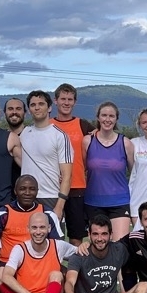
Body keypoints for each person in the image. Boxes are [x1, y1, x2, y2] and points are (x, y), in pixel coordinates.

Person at [63, 215, 147, 293]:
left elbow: (137, 256)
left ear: (111, 235)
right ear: (89, 235)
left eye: (104, 234)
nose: (100, 238)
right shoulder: (79, 255)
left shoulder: (119, 250)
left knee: (144, 285)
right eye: (95, 234)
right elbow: (70, 281)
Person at [0, 212, 78, 293]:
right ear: (28, 229)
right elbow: (6, 276)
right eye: (34, 227)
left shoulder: (58, 246)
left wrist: (84, 247)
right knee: (0, 272)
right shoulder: (20, 248)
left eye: (42, 227)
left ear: (49, 228)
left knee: (56, 274)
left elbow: (80, 254)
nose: (38, 232)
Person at [82, 101, 135, 241]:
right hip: (93, 202)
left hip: (119, 201)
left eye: (111, 116)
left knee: (120, 246)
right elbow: (81, 170)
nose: (107, 119)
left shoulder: (126, 143)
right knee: (98, 246)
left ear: (116, 119)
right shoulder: (88, 141)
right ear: (98, 118)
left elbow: (134, 174)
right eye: (104, 115)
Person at [51, 83, 95, 245]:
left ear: (75, 102)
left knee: (76, 237)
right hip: (52, 188)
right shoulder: (47, 125)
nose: (66, 102)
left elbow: (105, 137)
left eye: (70, 99)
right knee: (51, 237)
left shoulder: (83, 125)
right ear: (55, 101)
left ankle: (76, 269)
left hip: (77, 187)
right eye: (63, 99)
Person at [19, 90, 73, 218]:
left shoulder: (60, 136)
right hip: (26, 197)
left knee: (53, 238)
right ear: (29, 110)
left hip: (51, 197)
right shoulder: (24, 133)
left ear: (49, 107)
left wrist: (59, 206)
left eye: (41, 104)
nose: (37, 108)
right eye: (33, 105)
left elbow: (67, 175)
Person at [0, 174, 62, 274]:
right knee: (0, 274)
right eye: (22, 189)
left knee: (59, 274)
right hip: (8, 264)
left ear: (37, 191)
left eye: (32, 189)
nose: (27, 193)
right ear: (15, 191)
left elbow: (57, 246)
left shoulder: (47, 214)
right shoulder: (2, 214)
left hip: (39, 264)